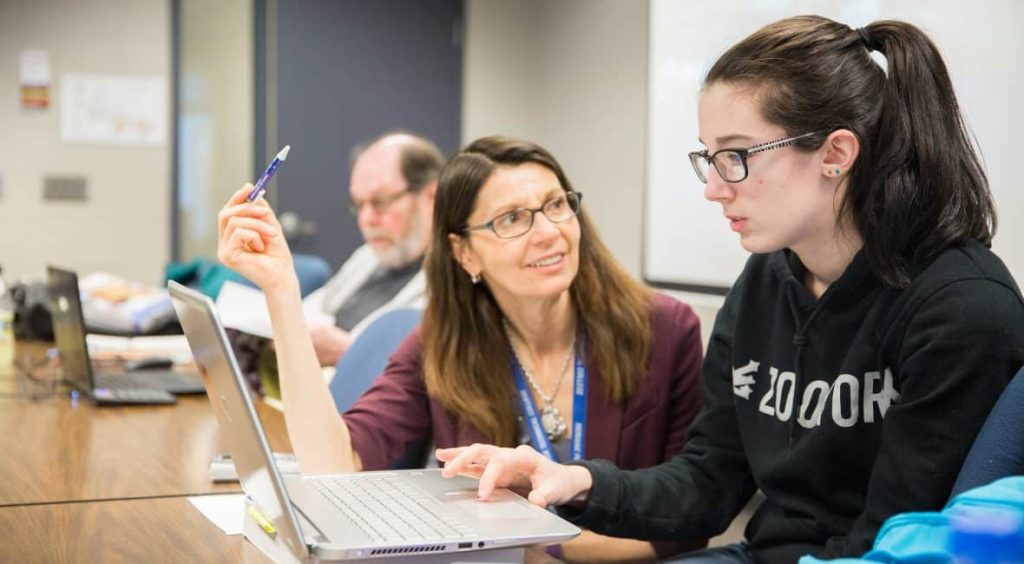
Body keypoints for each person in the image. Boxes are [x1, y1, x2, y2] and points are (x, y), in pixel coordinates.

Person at [436, 16, 1024, 564]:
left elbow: (893, 542)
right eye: (710, 158)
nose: (714, 188)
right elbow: (709, 480)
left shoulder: (963, 310)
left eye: (736, 156)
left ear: (836, 154)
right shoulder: (766, 278)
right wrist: (573, 481)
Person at [218, 136, 707, 561]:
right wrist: (281, 294)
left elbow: (689, 522)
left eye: (556, 205)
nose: (548, 233)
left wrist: (537, 548)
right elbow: (335, 469)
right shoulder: (444, 341)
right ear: (464, 252)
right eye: (512, 219)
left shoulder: (664, 330)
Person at [301, 131, 443, 366]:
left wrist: (349, 354)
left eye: (380, 202)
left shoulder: (458, 281)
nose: (366, 220)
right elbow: (318, 306)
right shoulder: (370, 255)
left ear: (431, 196)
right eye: (358, 204)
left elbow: (430, 367)